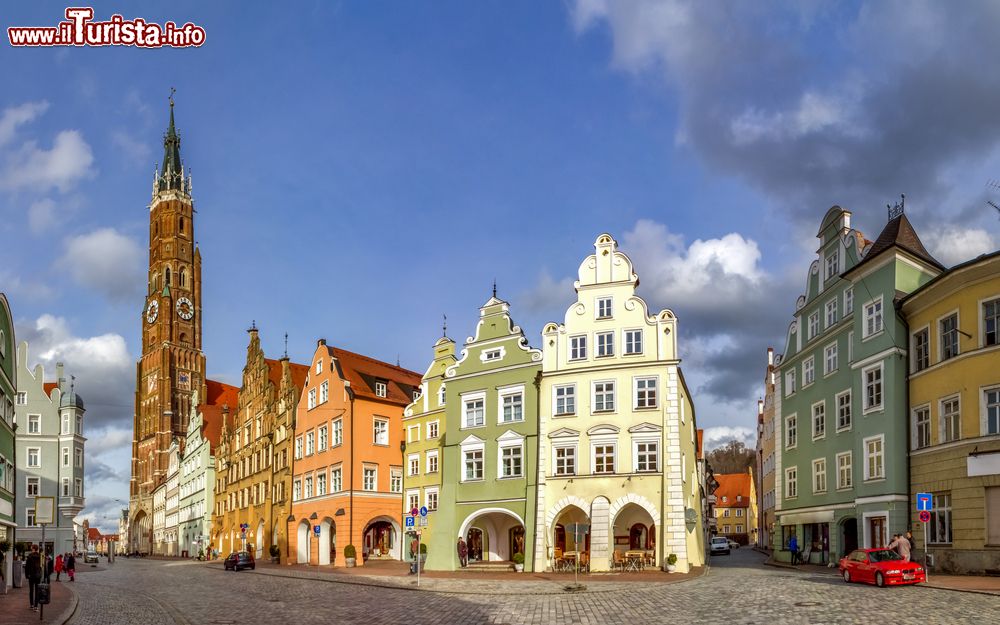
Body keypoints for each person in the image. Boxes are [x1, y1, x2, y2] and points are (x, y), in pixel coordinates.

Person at [25, 545, 42, 611]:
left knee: (31, 590)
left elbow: (27, 567)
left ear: (33, 549)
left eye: (31, 548)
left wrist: (27, 575)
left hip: (31, 576)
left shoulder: (29, 556)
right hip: (38, 576)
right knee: (37, 591)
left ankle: (31, 605)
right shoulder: (40, 556)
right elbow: (42, 566)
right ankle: (36, 606)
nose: (31, 548)